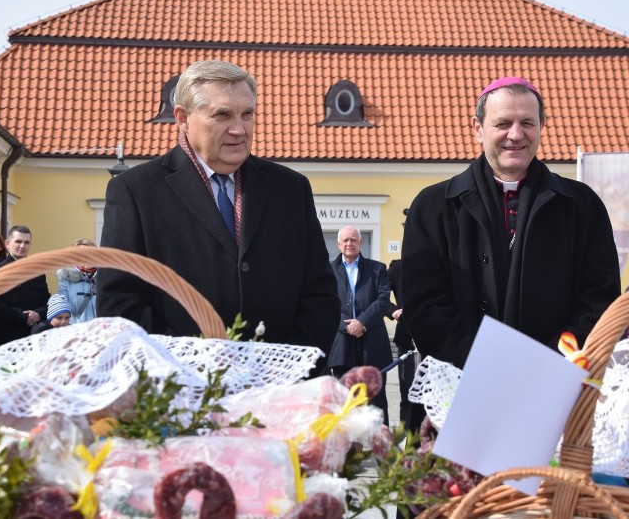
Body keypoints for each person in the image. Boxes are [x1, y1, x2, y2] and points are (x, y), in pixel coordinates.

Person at [97, 60, 338, 368]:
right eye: (222, 115)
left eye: (247, 114)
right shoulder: (136, 191)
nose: (239, 129)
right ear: (182, 118)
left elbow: (319, 294)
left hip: (280, 391)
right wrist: (190, 373)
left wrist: (287, 369)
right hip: (181, 393)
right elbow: (121, 305)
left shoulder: (290, 189)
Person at [401, 76, 621, 369]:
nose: (516, 135)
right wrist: (485, 363)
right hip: (460, 378)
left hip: (555, 380)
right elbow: (424, 305)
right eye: (503, 123)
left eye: (527, 123)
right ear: (478, 129)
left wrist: (546, 364)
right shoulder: (433, 206)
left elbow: (599, 300)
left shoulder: (581, 205)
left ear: (542, 127)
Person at [326, 226, 393, 423]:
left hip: (372, 342)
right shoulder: (327, 271)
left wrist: (362, 322)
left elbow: (382, 301)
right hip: (342, 344)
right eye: (345, 240)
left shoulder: (377, 269)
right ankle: (348, 452)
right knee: (345, 402)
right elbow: (326, 303)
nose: (349, 244)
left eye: (353, 240)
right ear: (338, 244)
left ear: (360, 243)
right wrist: (345, 325)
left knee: (376, 400)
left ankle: (382, 451)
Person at [0, 225, 50, 346]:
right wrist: (22, 316)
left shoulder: (38, 271)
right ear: (7, 243)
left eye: (26, 242)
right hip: (5, 338)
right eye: (18, 241)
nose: (22, 246)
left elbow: (46, 300)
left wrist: (38, 314)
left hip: (33, 337)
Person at [386, 257, 418, 430]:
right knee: (408, 394)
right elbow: (379, 293)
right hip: (407, 338)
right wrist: (393, 310)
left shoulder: (439, 264)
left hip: (437, 337)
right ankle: (407, 443)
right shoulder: (398, 268)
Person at [57, 238, 98, 323]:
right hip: (77, 330)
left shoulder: (104, 277)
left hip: (100, 331)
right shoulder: (66, 279)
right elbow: (63, 308)